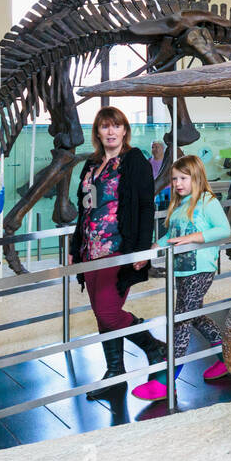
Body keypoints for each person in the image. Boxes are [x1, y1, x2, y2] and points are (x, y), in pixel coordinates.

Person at [68, 107, 164, 401]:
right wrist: (75, 247)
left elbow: (147, 206)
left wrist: (142, 248)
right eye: (104, 127)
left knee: (109, 312)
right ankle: (114, 373)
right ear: (97, 132)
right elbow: (86, 210)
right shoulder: (91, 165)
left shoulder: (134, 161)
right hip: (90, 251)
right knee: (101, 314)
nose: (110, 132)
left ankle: (154, 348)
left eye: (116, 126)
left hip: (118, 249)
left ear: (124, 131)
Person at [133, 155, 231, 403]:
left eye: (182, 178)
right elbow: (172, 235)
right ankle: (227, 358)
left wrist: (194, 237)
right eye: (174, 178)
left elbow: (223, 229)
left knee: (181, 320)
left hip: (200, 268)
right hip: (181, 269)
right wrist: (153, 248)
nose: (177, 183)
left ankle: (166, 380)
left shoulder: (207, 201)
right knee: (193, 315)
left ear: (196, 177)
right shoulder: (179, 205)